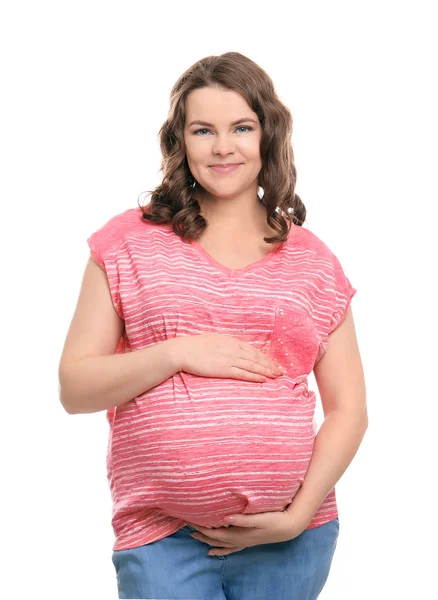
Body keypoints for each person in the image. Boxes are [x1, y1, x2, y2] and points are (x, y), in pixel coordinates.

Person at [58, 51, 368, 600]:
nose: (223, 147)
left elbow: (349, 409)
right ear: (180, 142)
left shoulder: (314, 261)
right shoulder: (128, 242)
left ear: (268, 135)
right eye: (203, 130)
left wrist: (296, 517)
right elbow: (75, 388)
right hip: (163, 537)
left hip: (292, 540)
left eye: (241, 128)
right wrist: (178, 352)